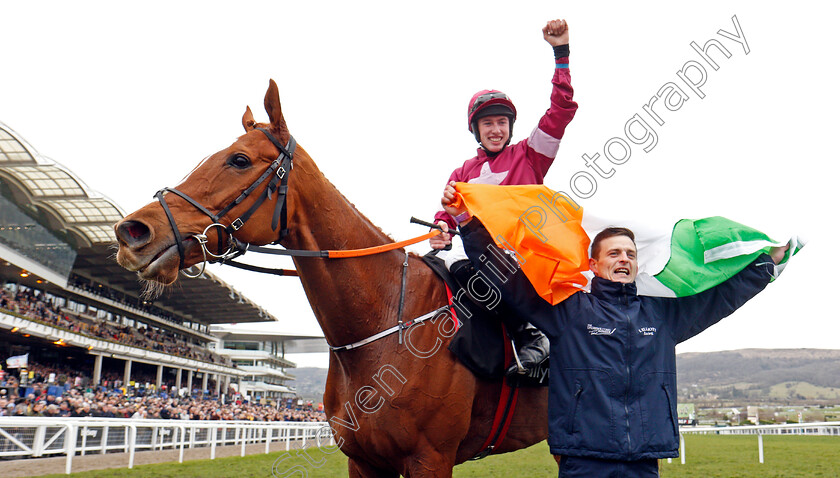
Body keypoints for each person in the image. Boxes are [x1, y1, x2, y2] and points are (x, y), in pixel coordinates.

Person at [440, 185, 788, 477]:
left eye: (631, 254)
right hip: (583, 458)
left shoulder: (663, 316)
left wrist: (766, 264)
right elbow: (511, 282)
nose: (624, 259)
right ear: (594, 264)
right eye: (615, 253)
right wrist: (468, 224)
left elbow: (721, 298)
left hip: (643, 459)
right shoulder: (570, 311)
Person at [430, 18, 578, 376]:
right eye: (487, 124)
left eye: (501, 123)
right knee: (431, 270)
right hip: (477, 259)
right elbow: (446, 219)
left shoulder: (531, 155)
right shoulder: (462, 173)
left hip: (523, 257)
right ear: (477, 130)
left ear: (510, 127)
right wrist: (440, 228)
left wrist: (561, 55)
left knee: (487, 269)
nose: (495, 130)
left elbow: (559, 112)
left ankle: (534, 337)